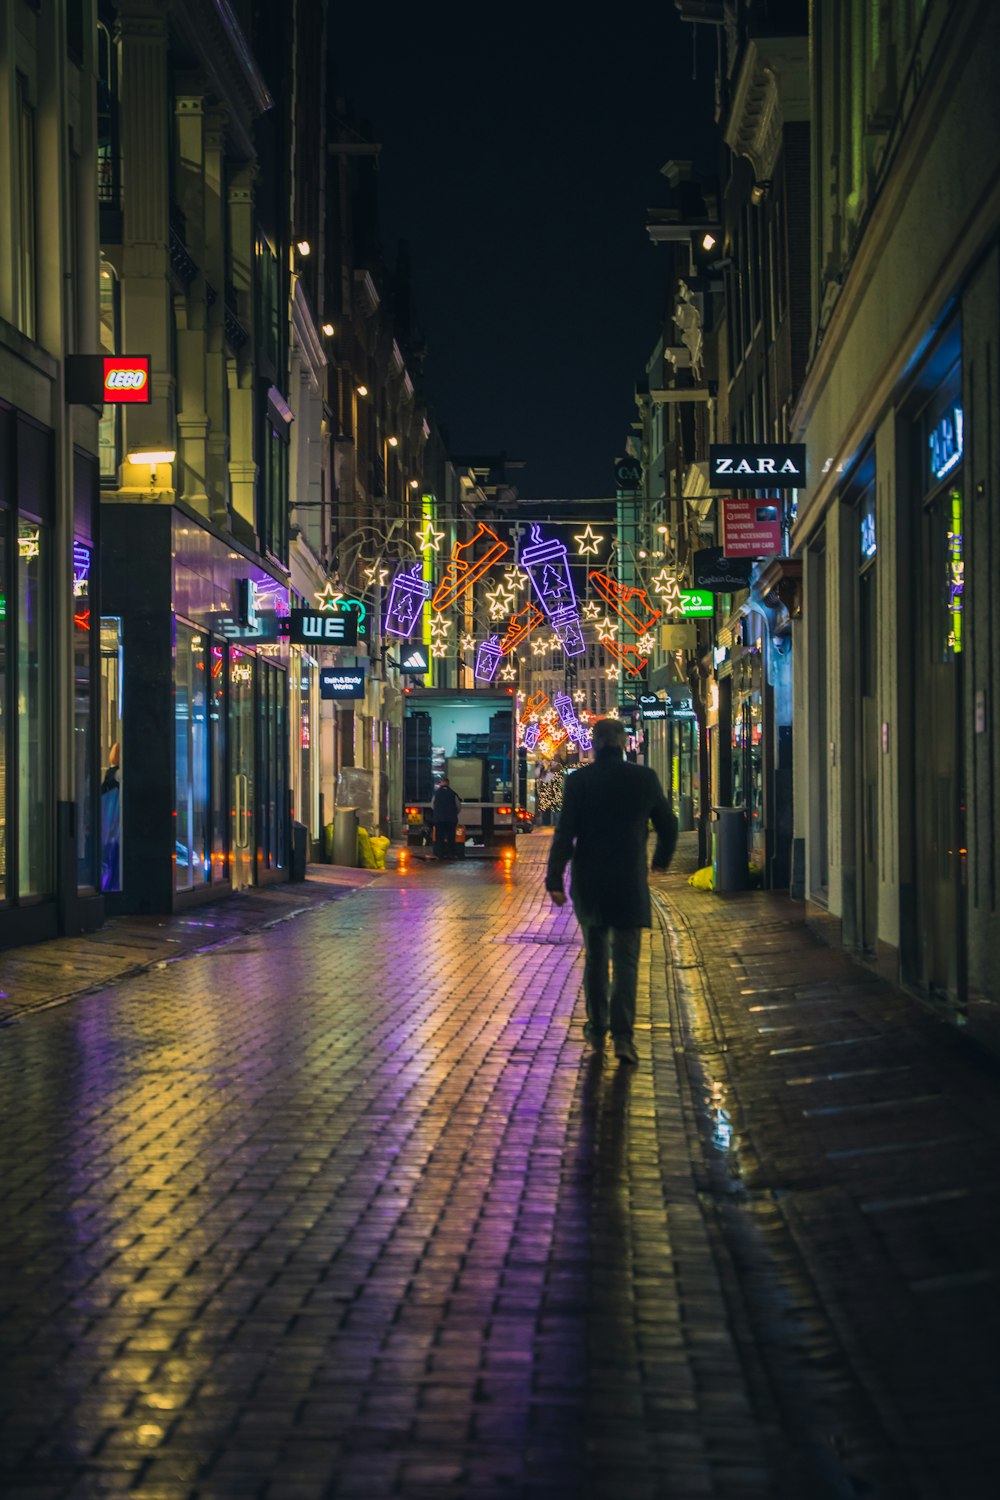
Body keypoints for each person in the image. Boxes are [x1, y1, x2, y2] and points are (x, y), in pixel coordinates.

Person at [545, 717, 677, 1064]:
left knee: (596, 956)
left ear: (595, 743)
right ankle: (623, 1036)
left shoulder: (580, 781)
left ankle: (597, 1026)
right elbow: (669, 823)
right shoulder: (644, 778)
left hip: (590, 882)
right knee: (627, 960)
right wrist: (661, 860)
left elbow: (565, 833)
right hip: (628, 881)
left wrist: (555, 879)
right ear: (623, 743)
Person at [431, 777, 462, 859]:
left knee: (439, 837)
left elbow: (432, 806)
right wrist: (454, 813)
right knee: (451, 837)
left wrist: (438, 812)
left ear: (441, 783)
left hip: (439, 819)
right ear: (448, 783)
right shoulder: (453, 793)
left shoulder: (436, 793)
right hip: (451, 820)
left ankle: (440, 854)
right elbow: (458, 806)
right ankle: (451, 854)